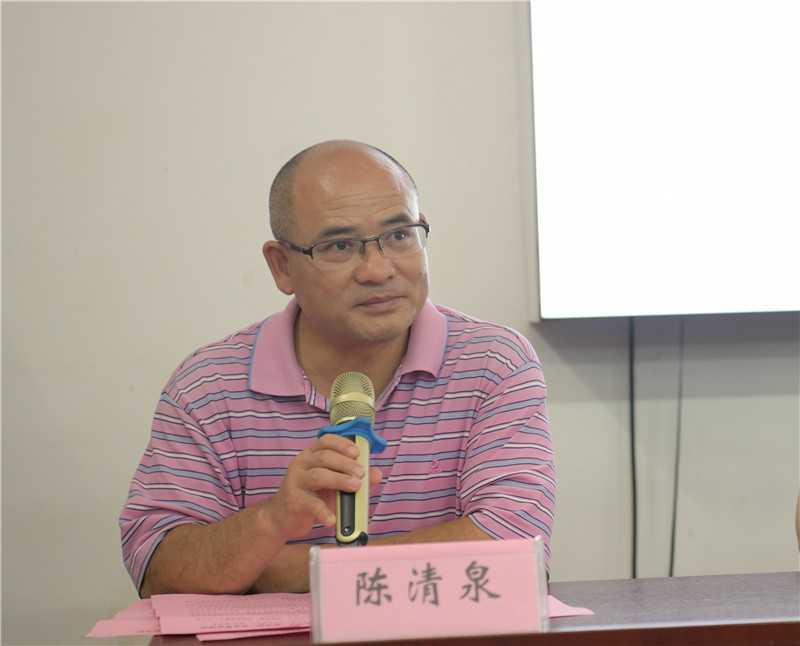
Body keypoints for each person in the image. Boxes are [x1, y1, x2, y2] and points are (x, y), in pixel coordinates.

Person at [120, 140, 556, 597]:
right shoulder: (208, 386)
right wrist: (271, 521)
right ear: (282, 266)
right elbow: (158, 567)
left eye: (400, 235)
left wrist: (262, 569)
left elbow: (514, 550)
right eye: (341, 245)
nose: (378, 270)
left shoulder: (494, 364)